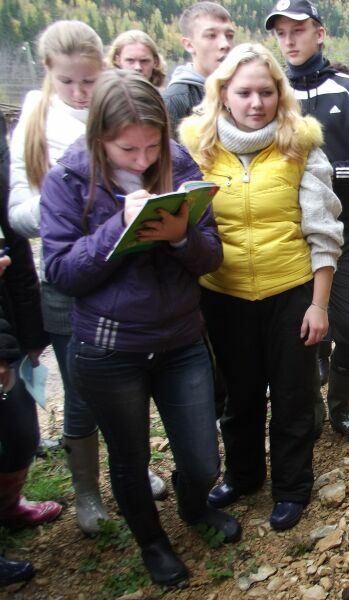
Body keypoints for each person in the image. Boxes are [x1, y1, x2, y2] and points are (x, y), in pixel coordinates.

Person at [39, 70, 240, 587]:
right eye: (128, 149)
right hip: (109, 348)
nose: (145, 159)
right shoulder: (67, 181)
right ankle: (153, 542)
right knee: (128, 458)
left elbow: (210, 255)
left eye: (154, 144)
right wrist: (116, 229)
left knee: (201, 458)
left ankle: (194, 505)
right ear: (98, 139)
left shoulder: (181, 164)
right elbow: (59, 272)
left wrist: (179, 238)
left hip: (180, 338)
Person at [9, 20, 167, 537]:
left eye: (87, 80)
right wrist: (73, 205)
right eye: (67, 82)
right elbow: (18, 212)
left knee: (129, 381)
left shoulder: (119, 114)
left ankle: (133, 465)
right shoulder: (33, 119)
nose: (78, 92)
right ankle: (85, 491)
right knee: (80, 389)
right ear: (48, 75)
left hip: (132, 265)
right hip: (65, 277)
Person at [179, 43, 343, 531]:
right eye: (244, 92)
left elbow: (324, 229)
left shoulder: (300, 145)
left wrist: (319, 304)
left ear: (280, 94)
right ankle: (245, 474)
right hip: (222, 293)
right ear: (223, 94)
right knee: (239, 394)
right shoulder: (197, 148)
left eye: (266, 92)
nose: (256, 103)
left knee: (293, 395)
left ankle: (292, 487)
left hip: (290, 289)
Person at [267, 0, 349, 443]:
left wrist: (328, 173)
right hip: (286, 234)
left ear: (319, 33)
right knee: (303, 333)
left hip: (346, 230)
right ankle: (315, 409)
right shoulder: (270, 92)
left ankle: (342, 406)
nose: (289, 40)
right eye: (281, 32)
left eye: (298, 30)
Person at [0, 113, 61, 588]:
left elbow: (16, 246)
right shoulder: (33, 123)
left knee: (20, 429)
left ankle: (9, 507)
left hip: (11, 306)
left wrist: (29, 335)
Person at [163, 2, 235, 137]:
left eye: (229, 36)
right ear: (189, 45)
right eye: (211, 35)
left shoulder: (245, 91)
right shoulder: (174, 101)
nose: (225, 44)